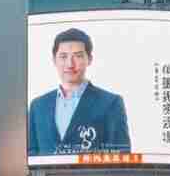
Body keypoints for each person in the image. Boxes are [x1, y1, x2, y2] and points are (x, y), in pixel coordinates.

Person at [28, 27, 131, 156]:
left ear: (89, 59)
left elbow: (121, 156)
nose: (70, 64)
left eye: (78, 56)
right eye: (63, 56)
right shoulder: (38, 106)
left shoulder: (110, 103)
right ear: (54, 60)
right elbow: (29, 157)